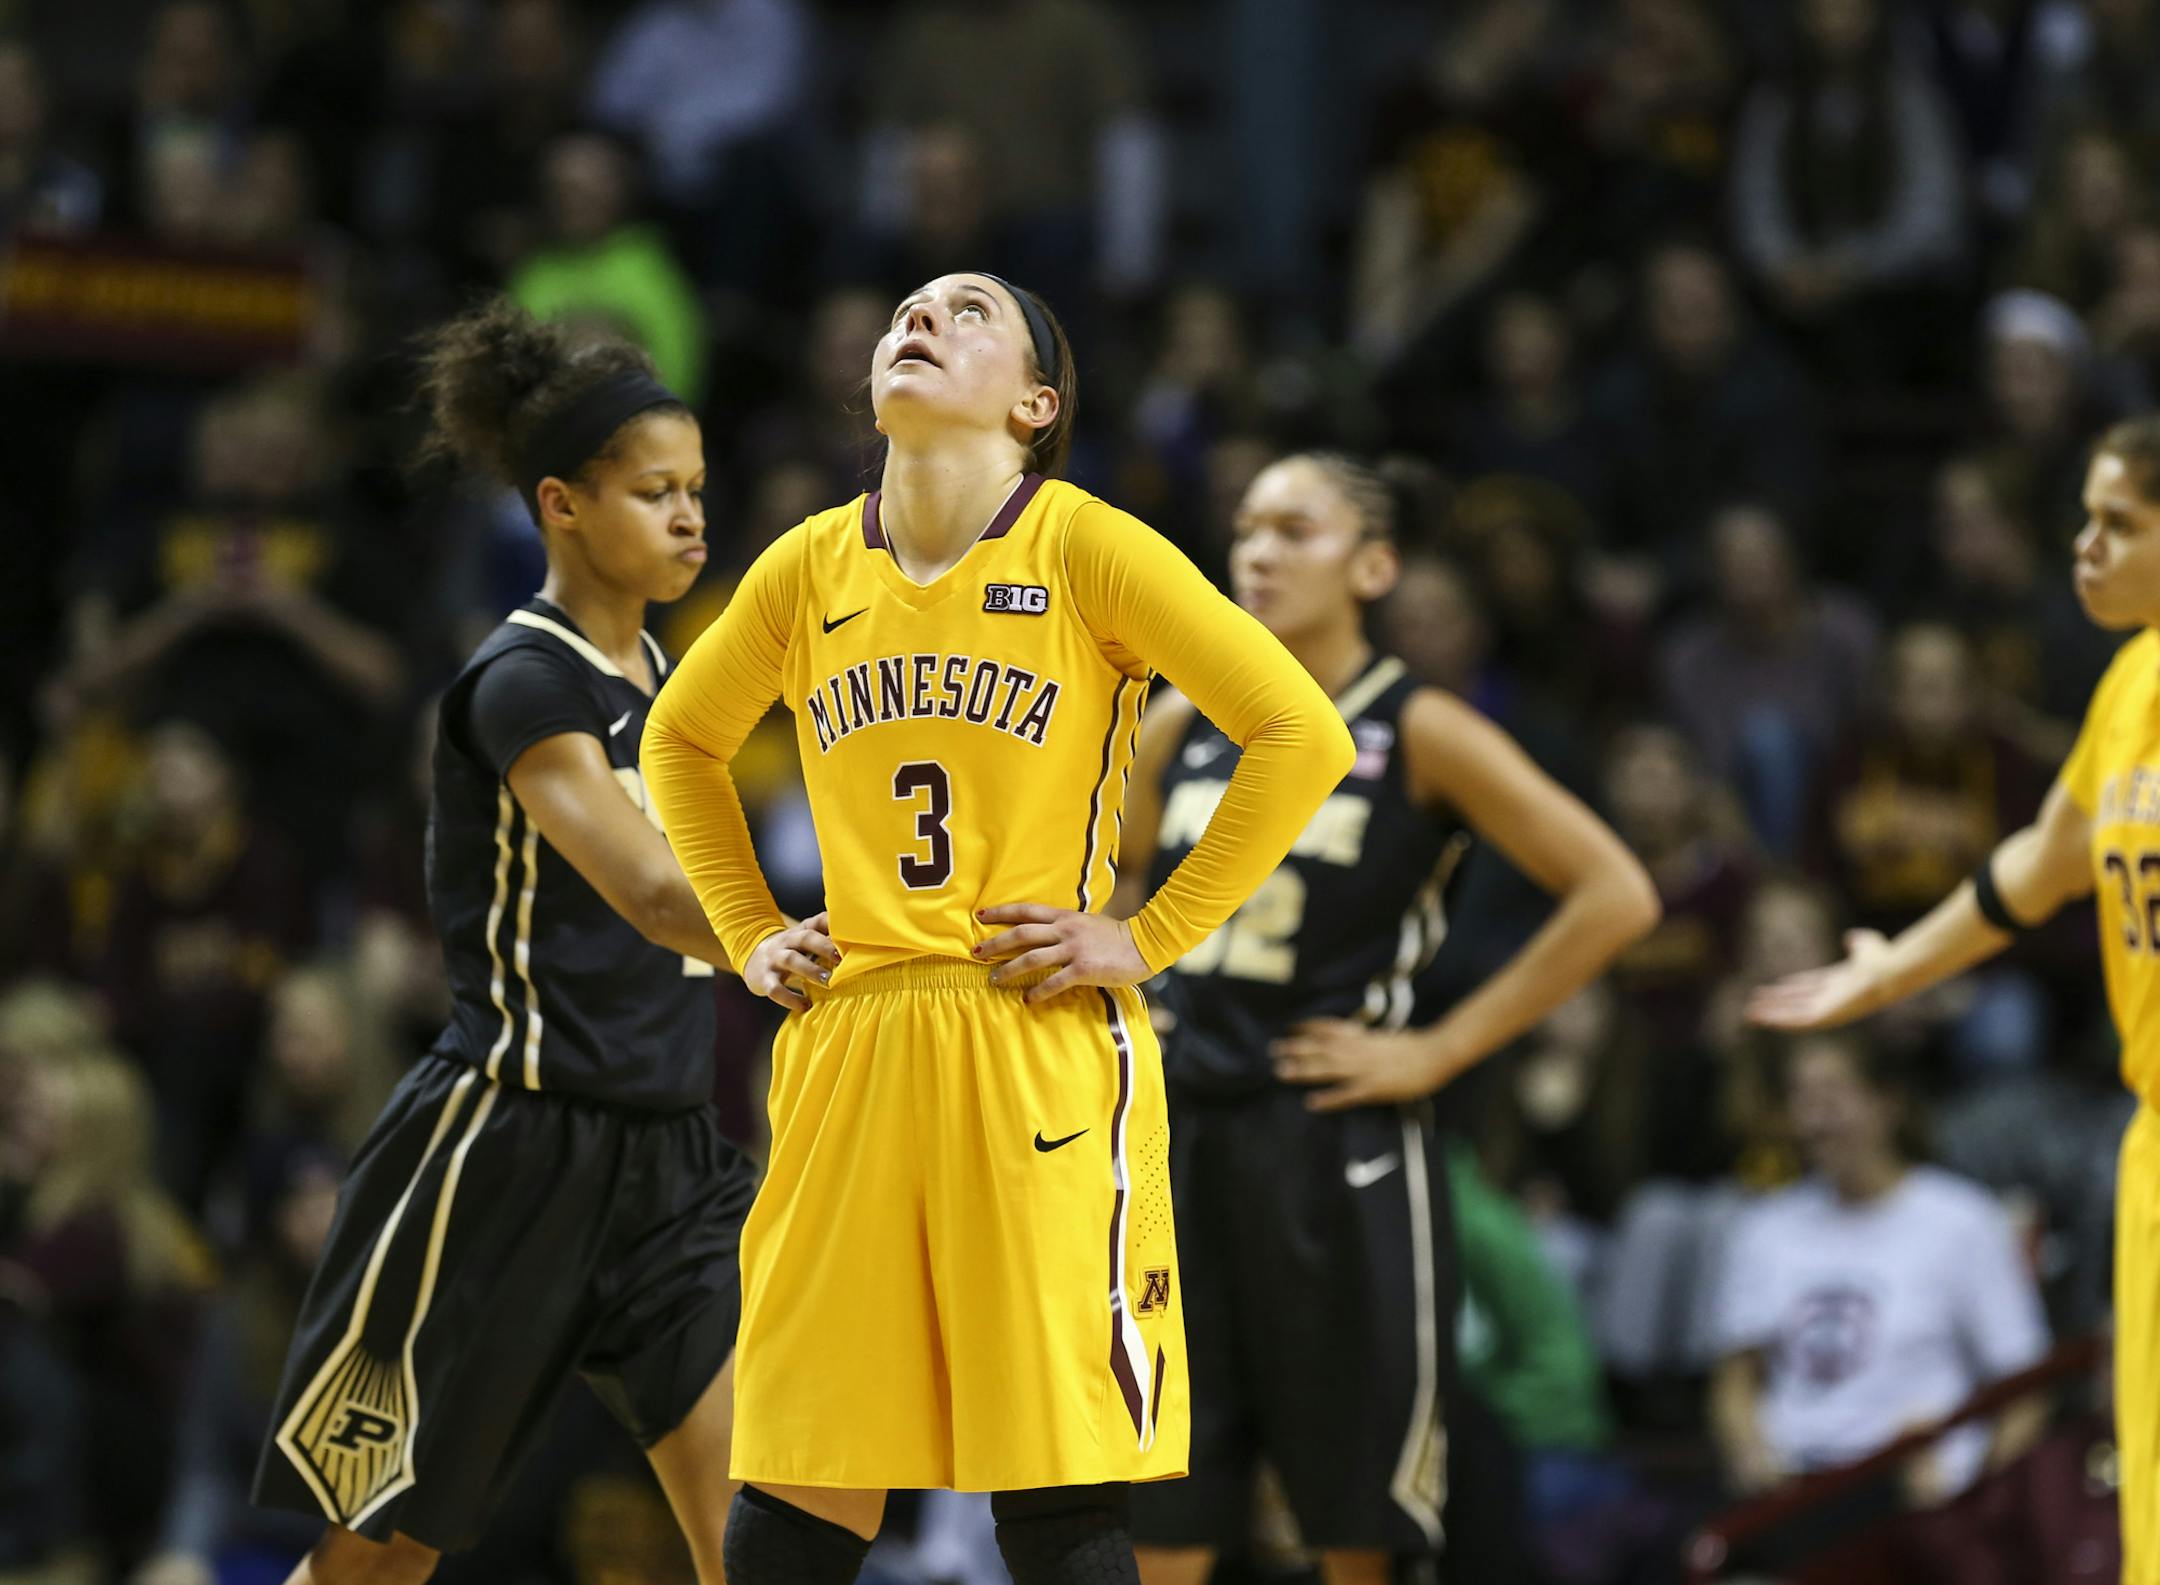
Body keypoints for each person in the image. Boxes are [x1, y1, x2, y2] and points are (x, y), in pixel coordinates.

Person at [641, 273, 1355, 1585]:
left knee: (1053, 1479)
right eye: (906, 312)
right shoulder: (807, 565)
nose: (919, 321)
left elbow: (1301, 733)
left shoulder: (1084, 545)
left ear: (1036, 403)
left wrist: (1148, 933)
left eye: (968, 312)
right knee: (801, 1474)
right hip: (851, 1033)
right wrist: (744, 928)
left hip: (1030, 1033)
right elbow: (677, 741)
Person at [251, 299, 759, 1585]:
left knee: (760, 1534)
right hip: (512, 1151)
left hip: (671, 1160)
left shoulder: (675, 685)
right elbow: (656, 894)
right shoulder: (521, 680)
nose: (690, 517)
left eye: (697, 489)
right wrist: (845, 941)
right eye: (655, 492)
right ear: (561, 506)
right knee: (379, 1559)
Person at [1101, 452, 1656, 1582]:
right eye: (1247, 527)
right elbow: (1117, 889)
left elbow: (1616, 894)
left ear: (1374, 567)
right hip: (1176, 1132)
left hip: (1332, 1138)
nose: (1258, 551)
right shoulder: (1180, 718)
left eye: (1294, 529)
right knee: (1162, 1501)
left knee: (1357, 1515)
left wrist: (1440, 1049)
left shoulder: (1423, 725)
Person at [1751, 414, 2160, 1579]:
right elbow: (2039, 864)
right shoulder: (2133, 680)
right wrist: (1894, 968)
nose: (2084, 545)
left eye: (2119, 523)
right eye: (2082, 517)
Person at [1708, 1036, 2049, 1505]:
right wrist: (1749, 1454)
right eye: (1802, 1099)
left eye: (1833, 1096)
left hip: (1915, 1491)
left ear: (1887, 1104)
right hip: (1793, 1486)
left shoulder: (1962, 1220)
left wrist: (1977, 1500)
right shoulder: (1766, 1228)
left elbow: (2026, 1389)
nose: (1816, 1121)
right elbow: (1735, 1378)